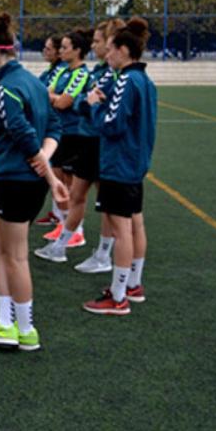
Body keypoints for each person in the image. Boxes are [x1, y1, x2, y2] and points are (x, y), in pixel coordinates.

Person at [0, 14, 68, 353]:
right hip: (28, 179)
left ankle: (26, 330)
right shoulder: (35, 82)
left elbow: (23, 135)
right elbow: (55, 126)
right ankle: (6, 322)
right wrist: (45, 161)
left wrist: (49, 174)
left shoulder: (7, 88)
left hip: (15, 181)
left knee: (16, 257)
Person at [81, 17, 156, 315]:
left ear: (124, 50)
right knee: (134, 224)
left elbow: (111, 125)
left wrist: (93, 105)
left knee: (121, 228)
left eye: (111, 48)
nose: (107, 55)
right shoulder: (145, 81)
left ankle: (118, 296)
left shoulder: (126, 80)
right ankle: (133, 285)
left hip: (119, 163)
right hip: (134, 163)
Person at [35, 28, 96, 260]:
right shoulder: (62, 72)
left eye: (65, 47)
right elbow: (50, 95)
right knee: (58, 180)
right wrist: (54, 97)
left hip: (74, 133)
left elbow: (63, 102)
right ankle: (64, 226)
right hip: (59, 132)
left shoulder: (81, 74)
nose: (61, 51)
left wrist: (55, 98)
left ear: (78, 51)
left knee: (70, 184)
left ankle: (76, 232)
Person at [72, 18, 126, 274]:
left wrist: (85, 103)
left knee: (117, 211)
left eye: (97, 41)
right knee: (96, 200)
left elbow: (84, 104)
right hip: (93, 139)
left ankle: (108, 259)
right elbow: (83, 101)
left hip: (102, 143)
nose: (93, 45)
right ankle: (107, 257)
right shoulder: (106, 72)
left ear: (112, 43)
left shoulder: (118, 77)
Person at [34, 34, 68, 227]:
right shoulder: (52, 70)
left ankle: (67, 223)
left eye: (49, 49)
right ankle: (58, 215)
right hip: (51, 126)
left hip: (62, 129)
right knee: (54, 172)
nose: (45, 52)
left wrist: (51, 97)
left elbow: (54, 97)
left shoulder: (63, 71)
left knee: (61, 176)